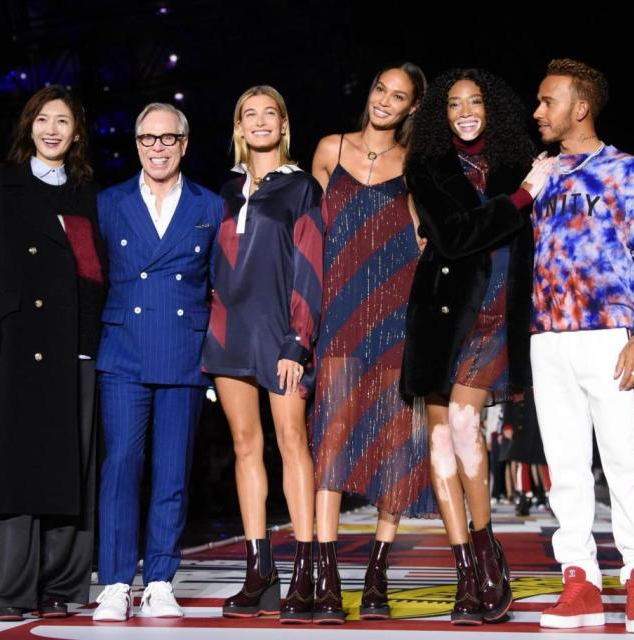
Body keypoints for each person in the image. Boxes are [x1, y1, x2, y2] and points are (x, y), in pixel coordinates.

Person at [401, 68, 552, 625]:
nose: (465, 110)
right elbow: (457, 236)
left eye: (476, 101)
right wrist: (521, 198)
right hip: (440, 317)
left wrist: (524, 190)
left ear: (493, 110)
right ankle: (468, 571)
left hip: (494, 318)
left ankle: (487, 555)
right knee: (441, 441)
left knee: (463, 428)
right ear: (442, 114)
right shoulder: (427, 167)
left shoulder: (522, 162)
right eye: (454, 104)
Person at [529, 58, 634, 633]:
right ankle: (580, 582)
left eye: (547, 101)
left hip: (612, 333)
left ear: (579, 107)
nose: (538, 111)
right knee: (565, 468)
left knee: (625, 462)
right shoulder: (540, 176)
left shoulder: (625, 169)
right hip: (548, 336)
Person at [0, 85, 105, 621]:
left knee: (73, 464)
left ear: (76, 133)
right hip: (18, 342)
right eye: (43, 119)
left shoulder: (86, 189)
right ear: (29, 126)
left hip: (75, 344)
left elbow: (95, 272)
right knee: (17, 465)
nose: (52, 129)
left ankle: (65, 585)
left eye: (63, 122)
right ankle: (13, 589)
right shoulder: (0, 184)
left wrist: (92, 344)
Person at [308, 63, 437, 624]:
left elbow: (423, 240)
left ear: (412, 108)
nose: (385, 101)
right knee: (331, 438)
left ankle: (379, 573)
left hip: (394, 319)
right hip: (337, 315)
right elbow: (308, 237)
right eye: (381, 90)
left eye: (399, 96)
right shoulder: (329, 150)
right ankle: (327, 576)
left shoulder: (415, 166)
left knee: (395, 445)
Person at [92, 102, 224, 621]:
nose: (158, 147)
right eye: (148, 138)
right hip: (122, 349)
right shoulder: (108, 203)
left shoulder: (210, 206)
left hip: (183, 351)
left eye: (168, 138)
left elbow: (220, 285)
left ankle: (162, 579)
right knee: (121, 466)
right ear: (136, 144)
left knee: (172, 471)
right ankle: (117, 581)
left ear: (184, 144)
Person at [201, 85, 324, 624]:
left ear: (283, 122)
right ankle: (260, 571)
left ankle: (305, 570)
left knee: (292, 441)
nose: (259, 122)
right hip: (228, 333)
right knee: (245, 446)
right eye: (248, 114)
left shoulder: (301, 187)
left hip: (280, 333)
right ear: (238, 127)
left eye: (268, 113)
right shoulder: (223, 190)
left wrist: (299, 338)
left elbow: (312, 265)